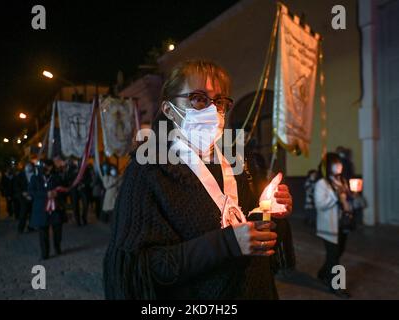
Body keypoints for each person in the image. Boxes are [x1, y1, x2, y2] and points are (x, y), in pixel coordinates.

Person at [103, 60, 293, 300]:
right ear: (170, 110)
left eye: (220, 101)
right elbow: (141, 268)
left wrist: (271, 211)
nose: (212, 111)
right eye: (199, 99)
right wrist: (226, 244)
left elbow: (254, 226)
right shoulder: (148, 171)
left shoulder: (241, 162)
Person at [314, 152, 353, 299]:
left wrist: (350, 195)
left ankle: (322, 273)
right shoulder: (321, 183)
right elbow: (320, 205)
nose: (339, 165)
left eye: (340, 163)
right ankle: (337, 287)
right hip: (329, 226)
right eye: (336, 163)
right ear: (329, 166)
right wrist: (335, 196)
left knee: (337, 253)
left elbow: (346, 199)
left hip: (342, 224)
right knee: (334, 257)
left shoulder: (341, 180)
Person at [29, 159, 66, 260]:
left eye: (50, 166)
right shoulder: (35, 178)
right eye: (46, 166)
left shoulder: (57, 178)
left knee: (58, 231)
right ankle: (45, 253)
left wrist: (57, 193)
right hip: (42, 209)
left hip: (56, 209)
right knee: (43, 233)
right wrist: (46, 194)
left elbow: (64, 190)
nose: (48, 169)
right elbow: (32, 192)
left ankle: (57, 248)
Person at [15, 162, 35, 233]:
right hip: (23, 196)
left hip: (32, 196)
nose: (29, 167)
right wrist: (23, 193)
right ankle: (20, 228)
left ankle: (31, 226)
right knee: (23, 212)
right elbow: (17, 186)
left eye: (31, 166)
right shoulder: (20, 175)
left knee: (32, 212)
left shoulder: (35, 174)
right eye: (28, 166)